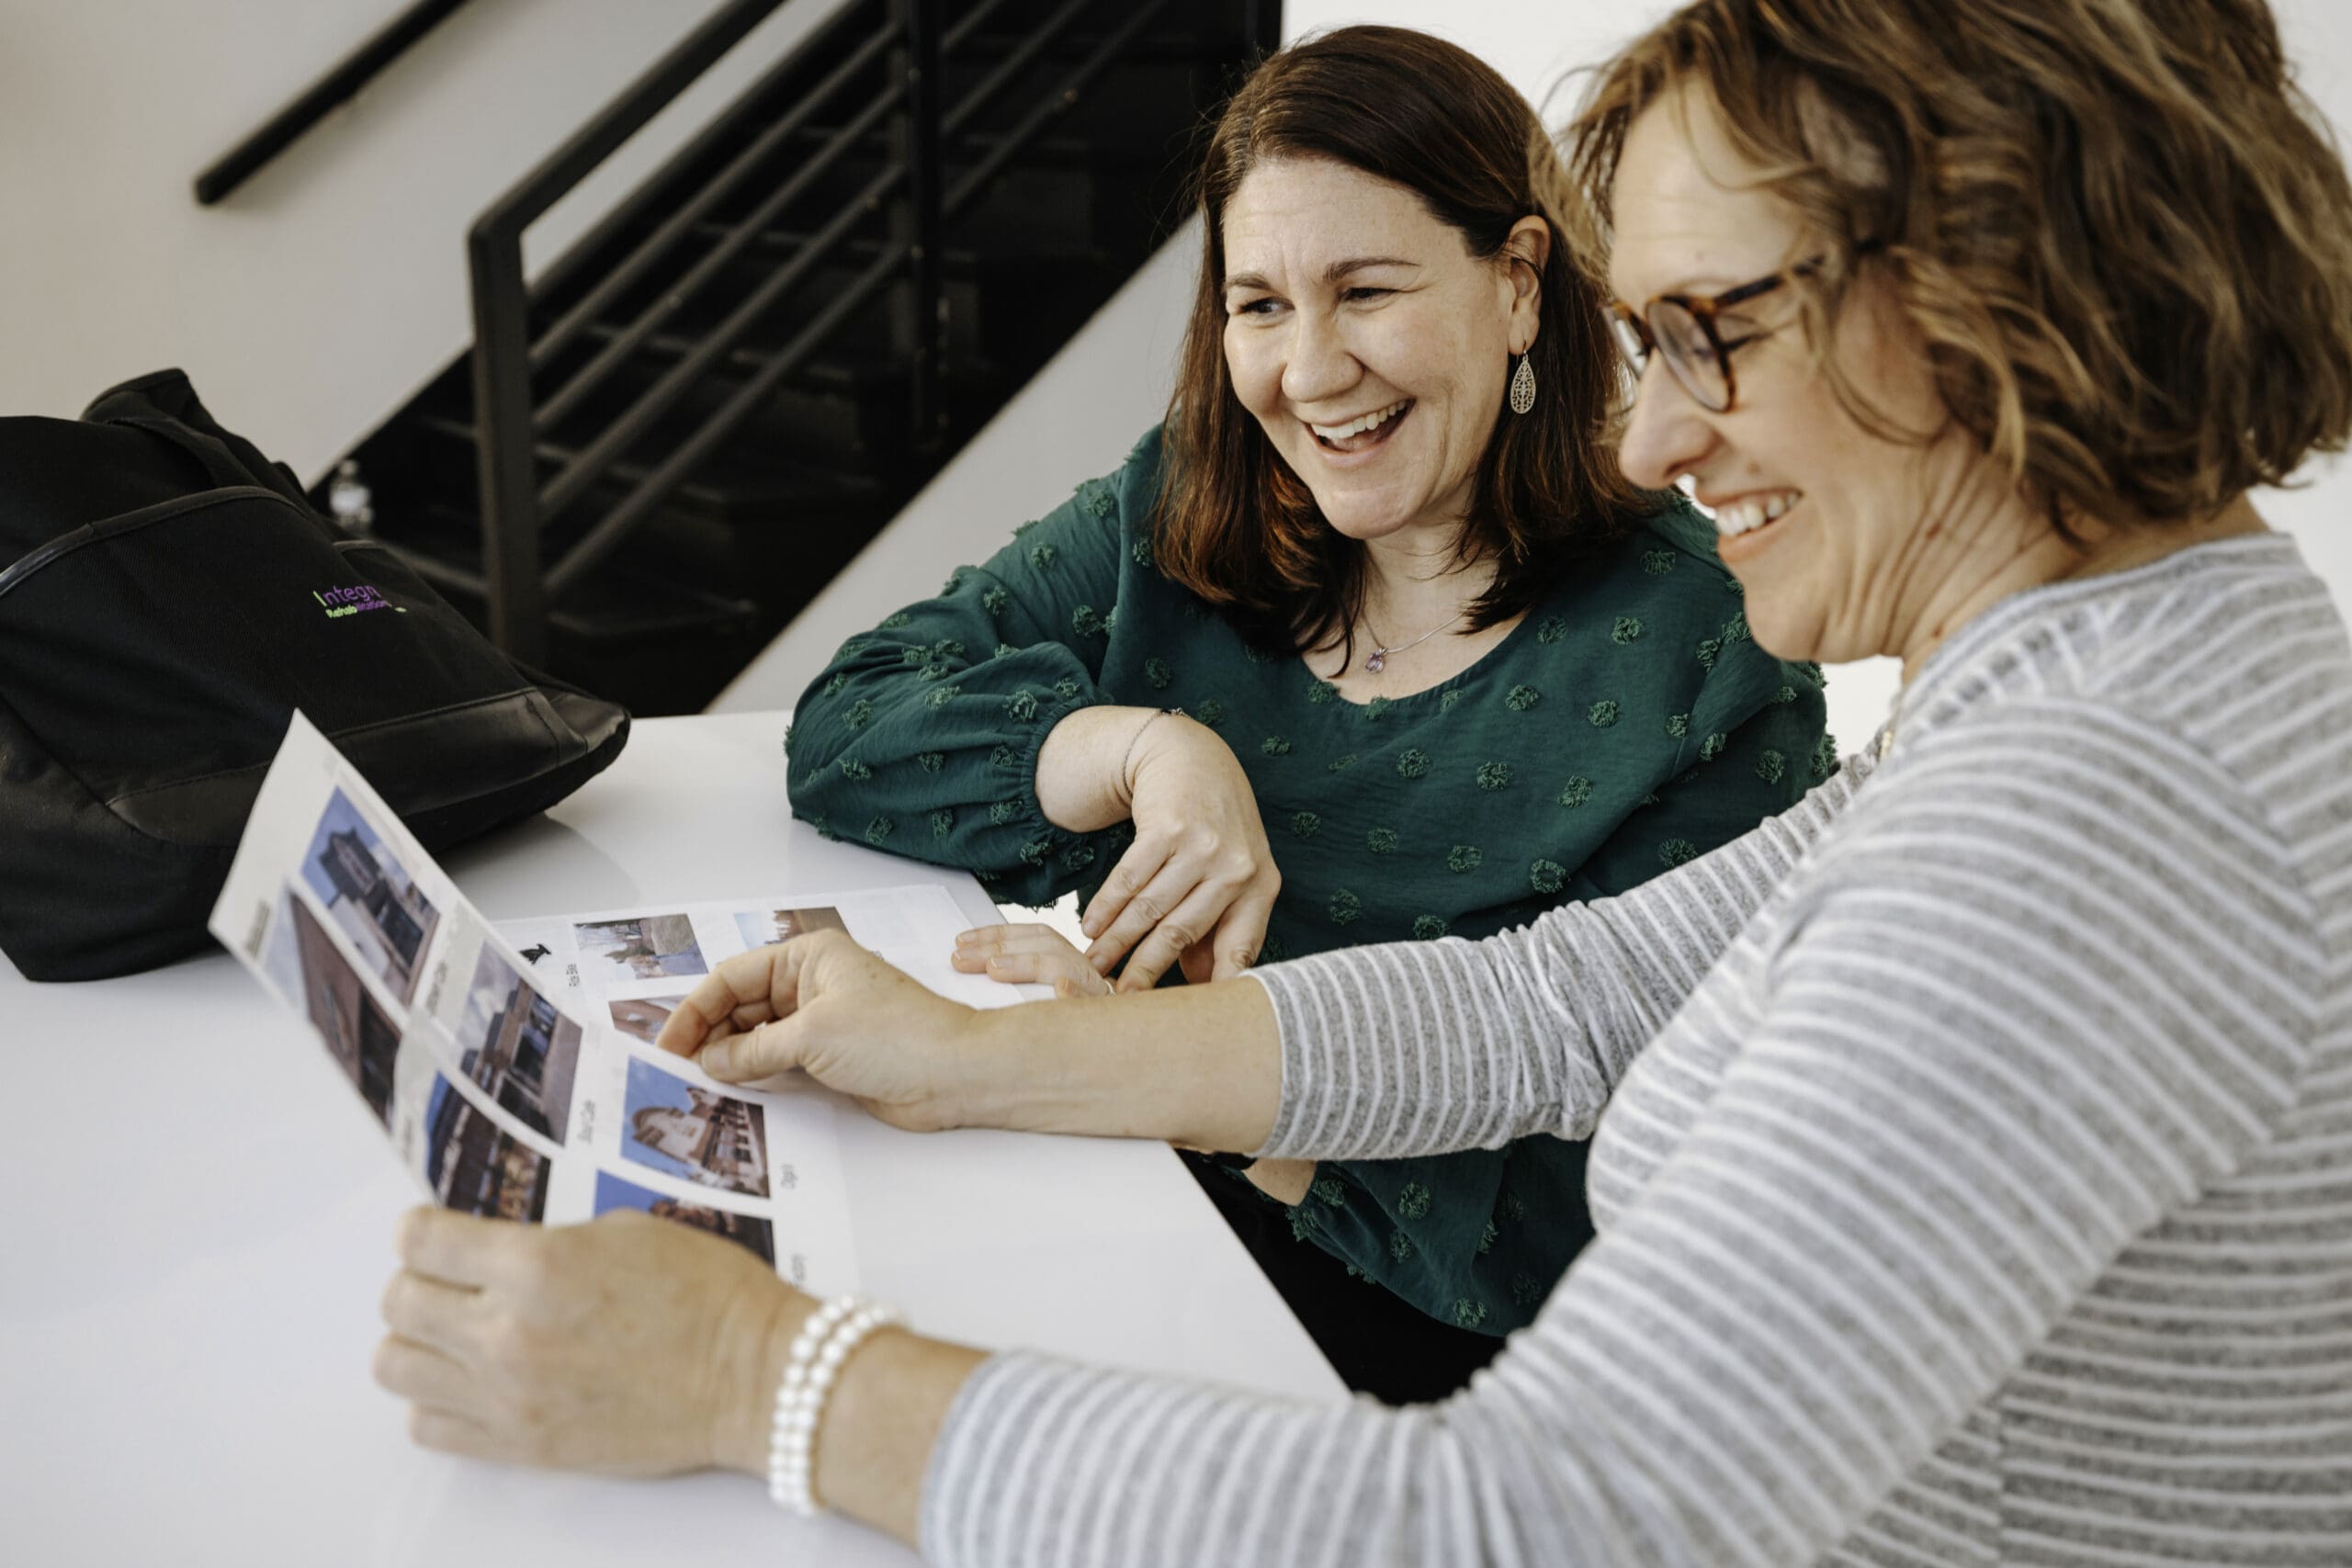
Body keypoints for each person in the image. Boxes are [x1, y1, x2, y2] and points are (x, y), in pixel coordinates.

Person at [373, 0, 2352, 1562]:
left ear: (1991, 287)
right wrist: (963, 1054)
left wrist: (758, 1375)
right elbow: (1549, 999)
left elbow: (1543, 1517)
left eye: (1706, 338)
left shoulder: (2091, 812)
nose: (1653, 432)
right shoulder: (2107, 688)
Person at [781, 26, 1826, 1399]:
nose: (1308, 369)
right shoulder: (1182, 503)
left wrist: (1143, 1064)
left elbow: (1598, 1234)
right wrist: (1146, 749)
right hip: (1094, 1175)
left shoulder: (1711, 648)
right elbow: (847, 719)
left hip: (1414, 1361)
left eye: (1365, 290)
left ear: (1519, 284)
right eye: (1259, 303)